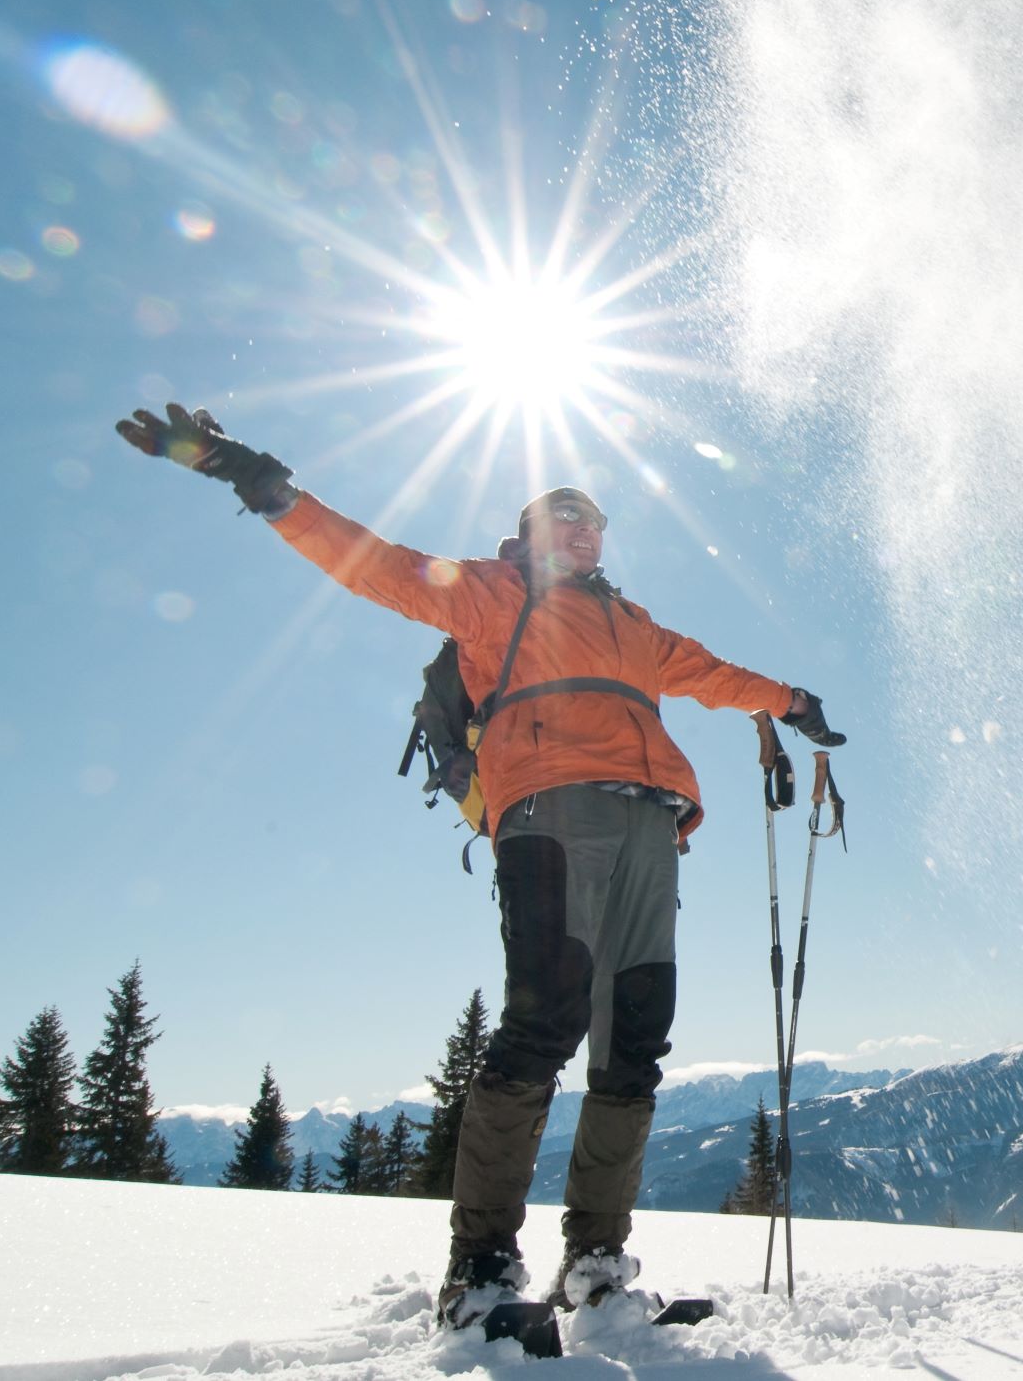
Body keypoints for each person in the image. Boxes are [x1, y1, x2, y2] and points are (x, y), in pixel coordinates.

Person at [117, 403, 846, 1328]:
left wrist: (793, 701)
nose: (585, 532)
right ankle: (482, 1269)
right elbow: (368, 562)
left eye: (595, 521)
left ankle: (596, 1264)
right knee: (542, 1024)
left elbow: (709, 672)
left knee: (634, 1042)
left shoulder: (635, 623)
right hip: (547, 807)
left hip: (653, 824)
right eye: (565, 517)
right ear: (533, 533)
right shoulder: (487, 591)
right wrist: (250, 475)